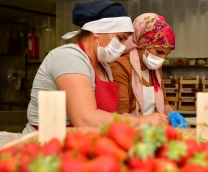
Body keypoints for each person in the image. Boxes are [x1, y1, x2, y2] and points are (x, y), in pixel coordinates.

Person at [22, 1, 169, 135]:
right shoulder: (69, 57)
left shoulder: (105, 68)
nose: (123, 45)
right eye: (120, 38)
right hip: (45, 140)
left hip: (83, 140)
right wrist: (140, 122)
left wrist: (126, 119)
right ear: (97, 31)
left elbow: (106, 116)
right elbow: (85, 120)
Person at [109, 13, 188, 128]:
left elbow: (164, 103)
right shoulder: (120, 66)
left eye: (166, 54)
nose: (162, 59)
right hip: (130, 133)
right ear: (142, 44)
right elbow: (121, 114)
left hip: (153, 133)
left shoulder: (155, 68)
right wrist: (146, 120)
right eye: (159, 52)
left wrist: (172, 114)